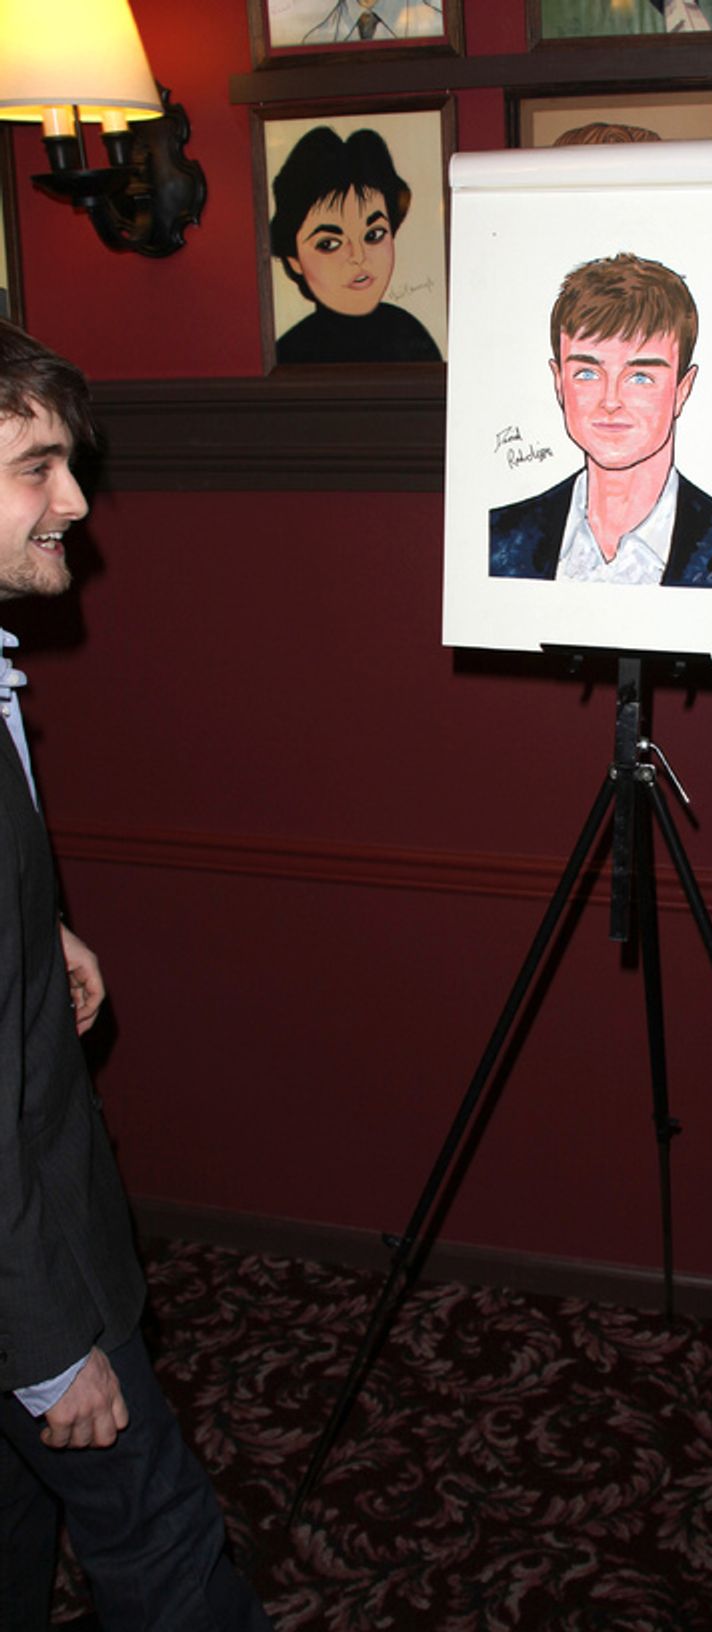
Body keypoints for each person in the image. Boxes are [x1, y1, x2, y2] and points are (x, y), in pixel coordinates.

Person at [0, 319, 273, 1631]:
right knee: (164, 1557)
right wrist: (52, 1352)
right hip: (29, 1285)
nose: (75, 502)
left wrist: (35, 925)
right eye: (35, 469)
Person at [489, 252, 712, 588]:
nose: (610, 401)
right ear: (559, 382)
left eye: (640, 377)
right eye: (587, 373)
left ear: (682, 390)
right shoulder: (501, 537)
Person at [269, 126, 441, 365]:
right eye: (329, 244)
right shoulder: (289, 355)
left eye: (374, 235)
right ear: (293, 259)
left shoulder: (411, 338)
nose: (358, 256)